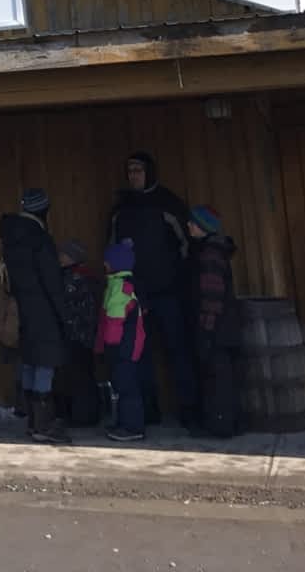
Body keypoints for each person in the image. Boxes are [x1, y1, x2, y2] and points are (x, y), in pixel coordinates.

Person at [107, 150, 197, 428]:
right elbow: (111, 248)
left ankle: (189, 410)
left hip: (168, 291)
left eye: (138, 170)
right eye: (130, 171)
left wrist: (177, 277)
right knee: (138, 354)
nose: (133, 176)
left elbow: (187, 244)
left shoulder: (167, 204)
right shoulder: (120, 210)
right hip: (134, 295)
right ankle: (148, 410)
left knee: (178, 351)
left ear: (150, 173)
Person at [0, 189, 70, 444]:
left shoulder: (10, 237)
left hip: (22, 309)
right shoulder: (40, 239)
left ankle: (32, 421)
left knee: (29, 361)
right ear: (43, 210)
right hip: (43, 310)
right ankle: (43, 424)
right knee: (44, 364)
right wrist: (63, 314)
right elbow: (51, 281)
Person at [187, 206, 243, 438]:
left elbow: (212, 295)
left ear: (203, 227)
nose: (188, 225)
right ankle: (225, 422)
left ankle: (220, 425)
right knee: (221, 377)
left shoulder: (210, 254)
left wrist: (206, 330)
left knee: (217, 378)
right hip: (223, 327)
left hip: (216, 328)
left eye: (193, 222)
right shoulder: (211, 250)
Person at [97, 241, 148, 442]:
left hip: (124, 346)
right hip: (122, 346)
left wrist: (109, 346)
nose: (104, 264)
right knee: (121, 384)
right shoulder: (116, 284)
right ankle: (123, 422)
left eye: (107, 261)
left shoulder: (121, 287)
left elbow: (115, 321)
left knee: (127, 386)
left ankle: (133, 427)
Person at [57, 240, 103, 428]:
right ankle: (87, 414)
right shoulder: (88, 276)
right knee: (85, 375)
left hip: (75, 335)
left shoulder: (72, 279)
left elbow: (64, 307)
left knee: (77, 377)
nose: (59, 257)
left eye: (63, 254)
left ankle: (80, 416)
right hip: (87, 336)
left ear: (71, 257)